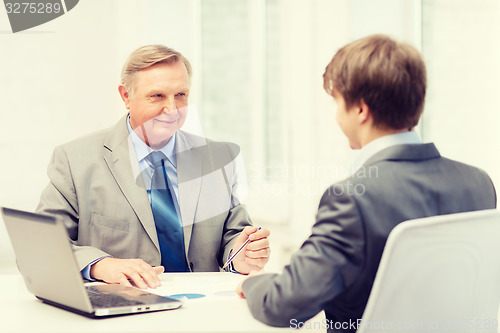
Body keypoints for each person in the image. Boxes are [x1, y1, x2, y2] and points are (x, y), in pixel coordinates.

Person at [236, 34, 496, 332]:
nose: (336, 117)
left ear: (360, 110)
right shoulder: (478, 183)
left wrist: (255, 282)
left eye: (338, 103)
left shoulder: (351, 199)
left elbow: (283, 306)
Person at [37, 45, 270, 289]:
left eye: (181, 95)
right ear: (126, 96)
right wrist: (101, 265)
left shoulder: (216, 159)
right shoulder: (75, 159)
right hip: (122, 310)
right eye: (157, 96)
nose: (171, 109)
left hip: (201, 308)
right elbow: (41, 245)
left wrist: (241, 255)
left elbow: (234, 236)